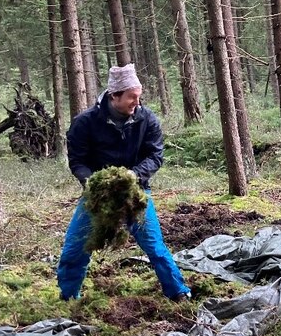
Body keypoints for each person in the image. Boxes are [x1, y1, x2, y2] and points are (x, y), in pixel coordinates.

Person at [56, 64, 191, 302]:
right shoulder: (85, 122)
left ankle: (179, 293)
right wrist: (94, 183)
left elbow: (155, 156)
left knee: (155, 248)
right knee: (74, 248)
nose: (136, 103)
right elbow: (77, 161)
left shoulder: (147, 119)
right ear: (114, 96)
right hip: (98, 196)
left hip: (136, 192)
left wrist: (134, 175)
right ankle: (68, 297)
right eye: (132, 98)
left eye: (139, 98)